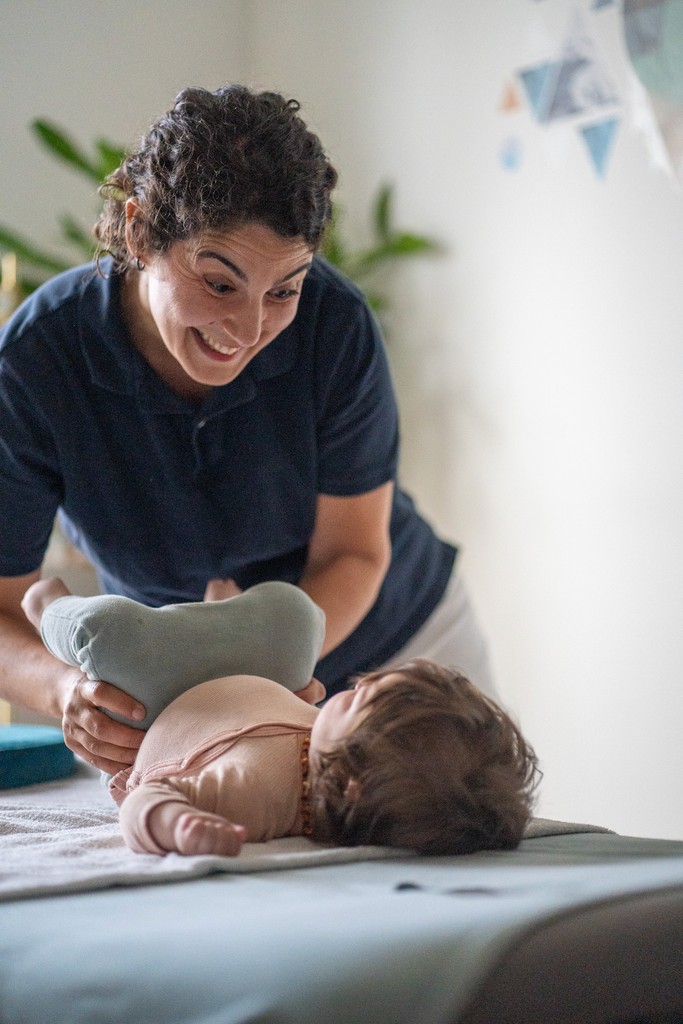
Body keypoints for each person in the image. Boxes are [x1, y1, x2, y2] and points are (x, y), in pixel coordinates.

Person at [0, 83, 494, 780]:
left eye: (284, 288)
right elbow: (2, 600)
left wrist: (265, 670)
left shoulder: (335, 326)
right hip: (182, 690)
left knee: (463, 830)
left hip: (396, 641)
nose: (250, 328)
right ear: (140, 232)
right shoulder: (39, 359)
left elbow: (353, 553)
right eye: (220, 283)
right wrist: (66, 691)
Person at [23, 578, 539, 857]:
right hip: (255, 683)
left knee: (110, 630)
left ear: (354, 785)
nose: (358, 683)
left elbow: (147, 804)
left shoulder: (256, 796)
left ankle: (50, 606)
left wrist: (179, 825)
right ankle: (219, 612)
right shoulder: (333, 752)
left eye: (361, 701)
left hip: (155, 710)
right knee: (294, 613)